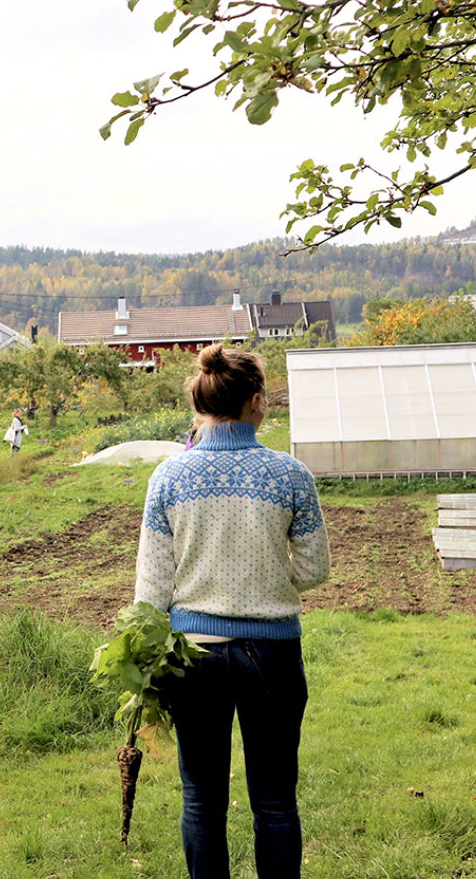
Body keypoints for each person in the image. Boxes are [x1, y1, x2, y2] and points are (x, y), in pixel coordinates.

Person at [133, 342, 330, 879]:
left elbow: (151, 588)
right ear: (256, 401)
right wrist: (269, 580)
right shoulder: (291, 476)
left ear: (201, 404)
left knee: (201, 802)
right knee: (274, 802)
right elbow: (314, 569)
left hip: (191, 655)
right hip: (273, 653)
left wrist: (143, 663)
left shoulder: (169, 479)